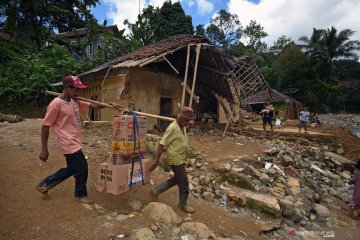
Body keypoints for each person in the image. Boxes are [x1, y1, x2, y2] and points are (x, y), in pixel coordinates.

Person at [36, 76, 120, 203]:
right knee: (82, 167)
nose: (78, 92)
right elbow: (45, 126)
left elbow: (93, 106)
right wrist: (44, 149)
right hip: (67, 142)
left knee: (72, 168)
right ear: (67, 88)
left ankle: (45, 185)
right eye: (76, 89)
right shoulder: (56, 104)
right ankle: (80, 195)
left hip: (75, 140)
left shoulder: (74, 100)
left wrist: (109, 105)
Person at [149, 107, 195, 213]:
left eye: (189, 120)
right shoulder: (172, 128)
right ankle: (182, 204)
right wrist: (156, 161)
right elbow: (161, 144)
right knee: (184, 182)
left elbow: (183, 135)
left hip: (181, 157)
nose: (188, 122)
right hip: (175, 158)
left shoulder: (182, 125)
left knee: (177, 179)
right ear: (182, 118)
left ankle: (155, 191)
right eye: (187, 120)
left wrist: (189, 127)